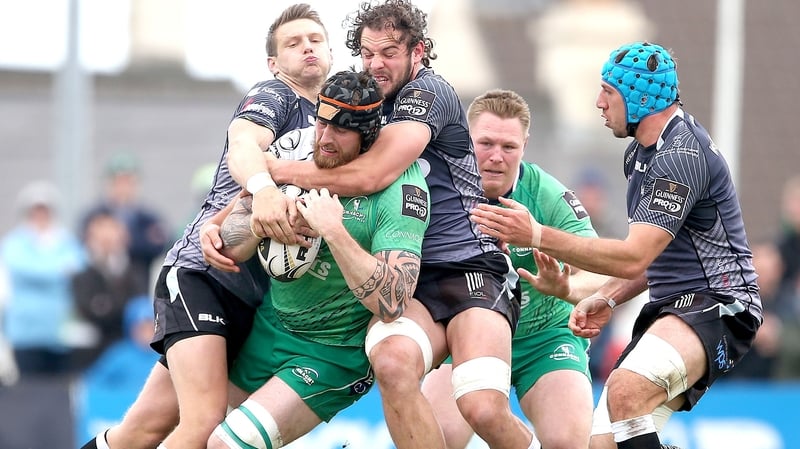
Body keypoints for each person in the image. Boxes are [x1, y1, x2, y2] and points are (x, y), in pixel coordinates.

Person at [468, 41, 762, 449]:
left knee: (625, 390)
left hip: (719, 302)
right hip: (675, 306)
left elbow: (633, 256)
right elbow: (650, 255)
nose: (599, 103)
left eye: (608, 91)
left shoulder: (680, 157)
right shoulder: (640, 155)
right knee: (601, 444)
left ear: (638, 97)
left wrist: (535, 235)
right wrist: (606, 298)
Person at [265, 2, 532, 448]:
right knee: (390, 362)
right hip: (414, 275)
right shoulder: (365, 102)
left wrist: (278, 173)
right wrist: (239, 206)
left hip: (472, 267)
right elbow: (315, 149)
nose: (375, 65)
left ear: (419, 51)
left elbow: (371, 175)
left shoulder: (429, 92)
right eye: (367, 54)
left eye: (388, 52)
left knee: (481, 406)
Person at [79, 4, 333, 449]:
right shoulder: (275, 95)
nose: (307, 48)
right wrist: (263, 187)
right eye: (293, 43)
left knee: (143, 427)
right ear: (274, 64)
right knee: (206, 423)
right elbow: (243, 142)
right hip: (205, 276)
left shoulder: (337, 126)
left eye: (315, 39)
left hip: (254, 297)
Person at [204, 69, 429, 449]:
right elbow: (226, 248)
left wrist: (335, 232)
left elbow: (393, 303)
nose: (324, 138)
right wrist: (265, 222)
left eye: (341, 130)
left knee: (227, 444)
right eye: (323, 123)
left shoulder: (401, 190)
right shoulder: (296, 149)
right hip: (270, 325)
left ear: (368, 135)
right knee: (193, 427)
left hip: (331, 352)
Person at [421, 89, 608, 449]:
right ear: (464, 137)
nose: (495, 157)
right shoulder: (436, 188)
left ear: (525, 144)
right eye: (485, 143)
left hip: (542, 336)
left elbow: (602, 265)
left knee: (568, 442)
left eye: (508, 147)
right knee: (435, 440)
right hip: (466, 331)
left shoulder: (546, 195)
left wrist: (567, 288)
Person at [0, 180, 86, 377]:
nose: (40, 216)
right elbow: (22, 267)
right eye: (35, 211)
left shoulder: (66, 241)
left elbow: (78, 266)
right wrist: (57, 271)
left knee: (58, 391)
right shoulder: (14, 242)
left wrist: (40, 269)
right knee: (30, 390)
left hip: (58, 334)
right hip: (25, 334)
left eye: (45, 210)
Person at [81, 152, 170, 292]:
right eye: (118, 182)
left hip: (138, 286)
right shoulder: (94, 215)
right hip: (99, 290)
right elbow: (83, 246)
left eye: (128, 182)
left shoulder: (148, 218)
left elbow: (161, 245)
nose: (123, 188)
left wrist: (124, 241)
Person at [71, 211, 148, 370]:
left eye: (112, 233)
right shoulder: (82, 276)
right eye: (100, 235)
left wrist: (107, 306)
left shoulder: (136, 272)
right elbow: (88, 311)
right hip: (93, 354)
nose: (107, 240)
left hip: (131, 352)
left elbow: (139, 310)